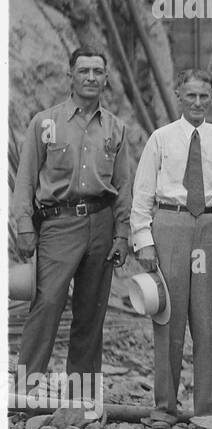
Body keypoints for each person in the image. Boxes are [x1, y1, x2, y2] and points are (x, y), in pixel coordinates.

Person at [12, 48, 132, 406]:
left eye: (98, 71)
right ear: (71, 76)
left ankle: (80, 400)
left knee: (90, 311)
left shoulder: (116, 127)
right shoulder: (45, 123)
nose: (91, 77)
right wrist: (23, 226)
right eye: (84, 71)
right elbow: (25, 180)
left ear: (106, 77)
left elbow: (123, 185)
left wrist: (122, 233)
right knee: (47, 304)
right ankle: (23, 393)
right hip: (58, 223)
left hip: (101, 221)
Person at [130, 69, 212, 425]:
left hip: (209, 227)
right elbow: (143, 193)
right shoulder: (161, 138)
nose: (197, 102)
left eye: (204, 96)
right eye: (191, 95)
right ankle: (165, 407)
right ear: (179, 95)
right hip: (171, 223)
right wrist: (144, 240)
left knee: (206, 317)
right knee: (168, 316)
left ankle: (207, 409)